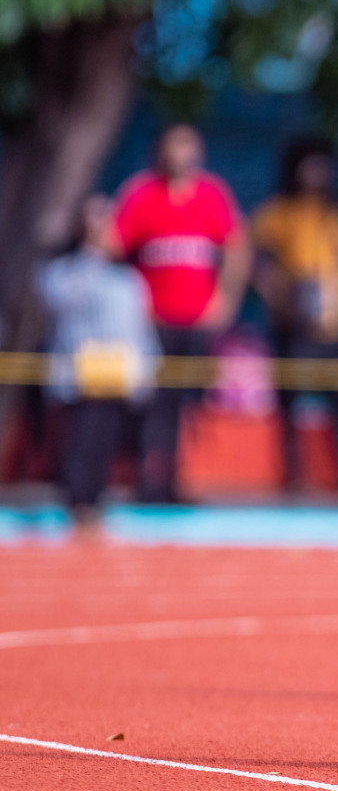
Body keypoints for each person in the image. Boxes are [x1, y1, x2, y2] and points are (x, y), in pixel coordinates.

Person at [112, 124, 250, 503]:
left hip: (196, 321)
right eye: (174, 146)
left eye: (188, 146)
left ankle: (170, 479)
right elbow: (114, 248)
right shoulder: (141, 194)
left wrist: (224, 298)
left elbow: (237, 248)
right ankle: (145, 478)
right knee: (149, 401)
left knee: (183, 403)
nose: (181, 154)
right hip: (151, 322)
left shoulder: (211, 195)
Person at [37, 196, 161, 529]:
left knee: (106, 443)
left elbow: (140, 331)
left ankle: (95, 501)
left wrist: (145, 372)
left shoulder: (129, 281)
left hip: (118, 376)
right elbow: (60, 301)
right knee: (80, 439)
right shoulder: (64, 272)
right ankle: (76, 503)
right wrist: (91, 255)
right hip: (80, 374)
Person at [252, 138, 338, 496]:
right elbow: (259, 264)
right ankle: (294, 476)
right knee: (290, 402)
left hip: (333, 325)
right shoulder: (277, 214)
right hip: (293, 323)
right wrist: (282, 299)